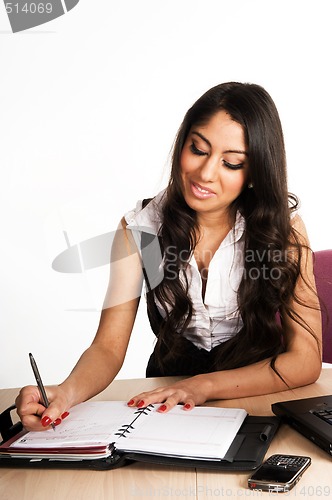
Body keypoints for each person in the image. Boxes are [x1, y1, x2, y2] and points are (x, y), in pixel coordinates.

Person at [16, 82, 322, 431]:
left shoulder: (284, 230)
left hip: (256, 399)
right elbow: (108, 348)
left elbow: (306, 360)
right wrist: (65, 393)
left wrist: (203, 385)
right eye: (198, 149)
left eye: (231, 163)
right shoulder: (140, 229)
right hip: (168, 404)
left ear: (254, 172)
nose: (205, 174)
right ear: (183, 143)